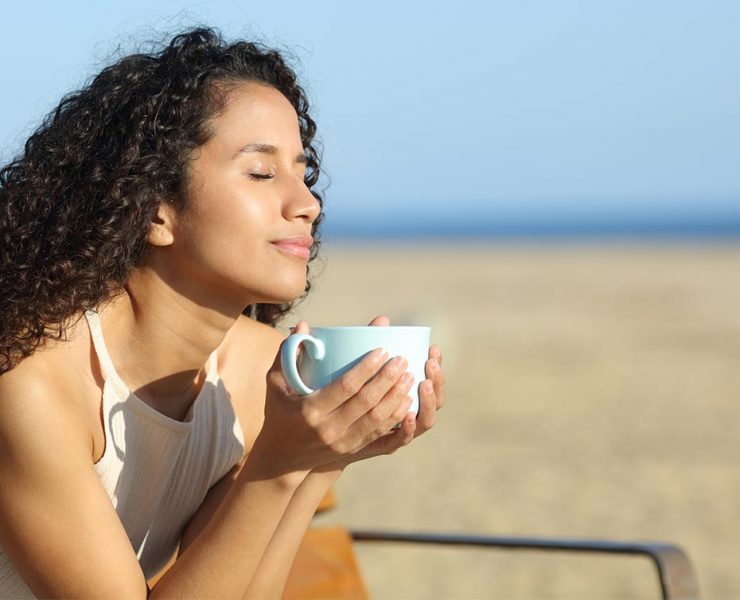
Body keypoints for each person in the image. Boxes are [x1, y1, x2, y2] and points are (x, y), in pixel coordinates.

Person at [0, 27, 445, 598]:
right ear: (155, 211)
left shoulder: (261, 372)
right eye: (261, 173)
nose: (307, 203)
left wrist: (325, 457)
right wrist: (279, 464)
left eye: (301, 173)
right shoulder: (35, 382)